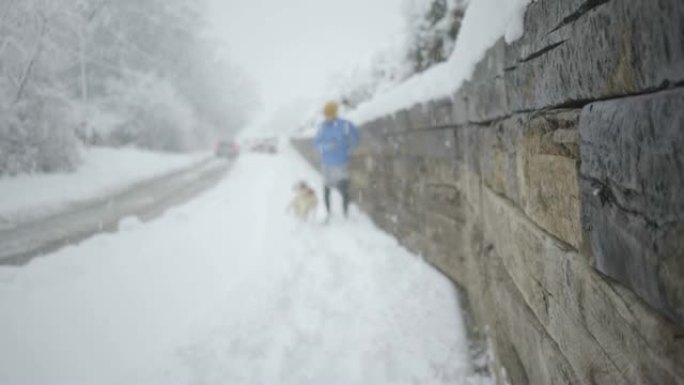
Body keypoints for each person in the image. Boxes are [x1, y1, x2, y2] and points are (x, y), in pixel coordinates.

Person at [314, 101, 360, 219]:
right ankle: (328, 213)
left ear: (334, 113)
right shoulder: (322, 127)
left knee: (344, 188)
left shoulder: (345, 125)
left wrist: (350, 149)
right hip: (327, 164)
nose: (326, 116)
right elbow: (317, 144)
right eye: (325, 114)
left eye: (329, 113)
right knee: (326, 189)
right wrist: (327, 146)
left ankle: (345, 213)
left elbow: (355, 137)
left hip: (341, 162)